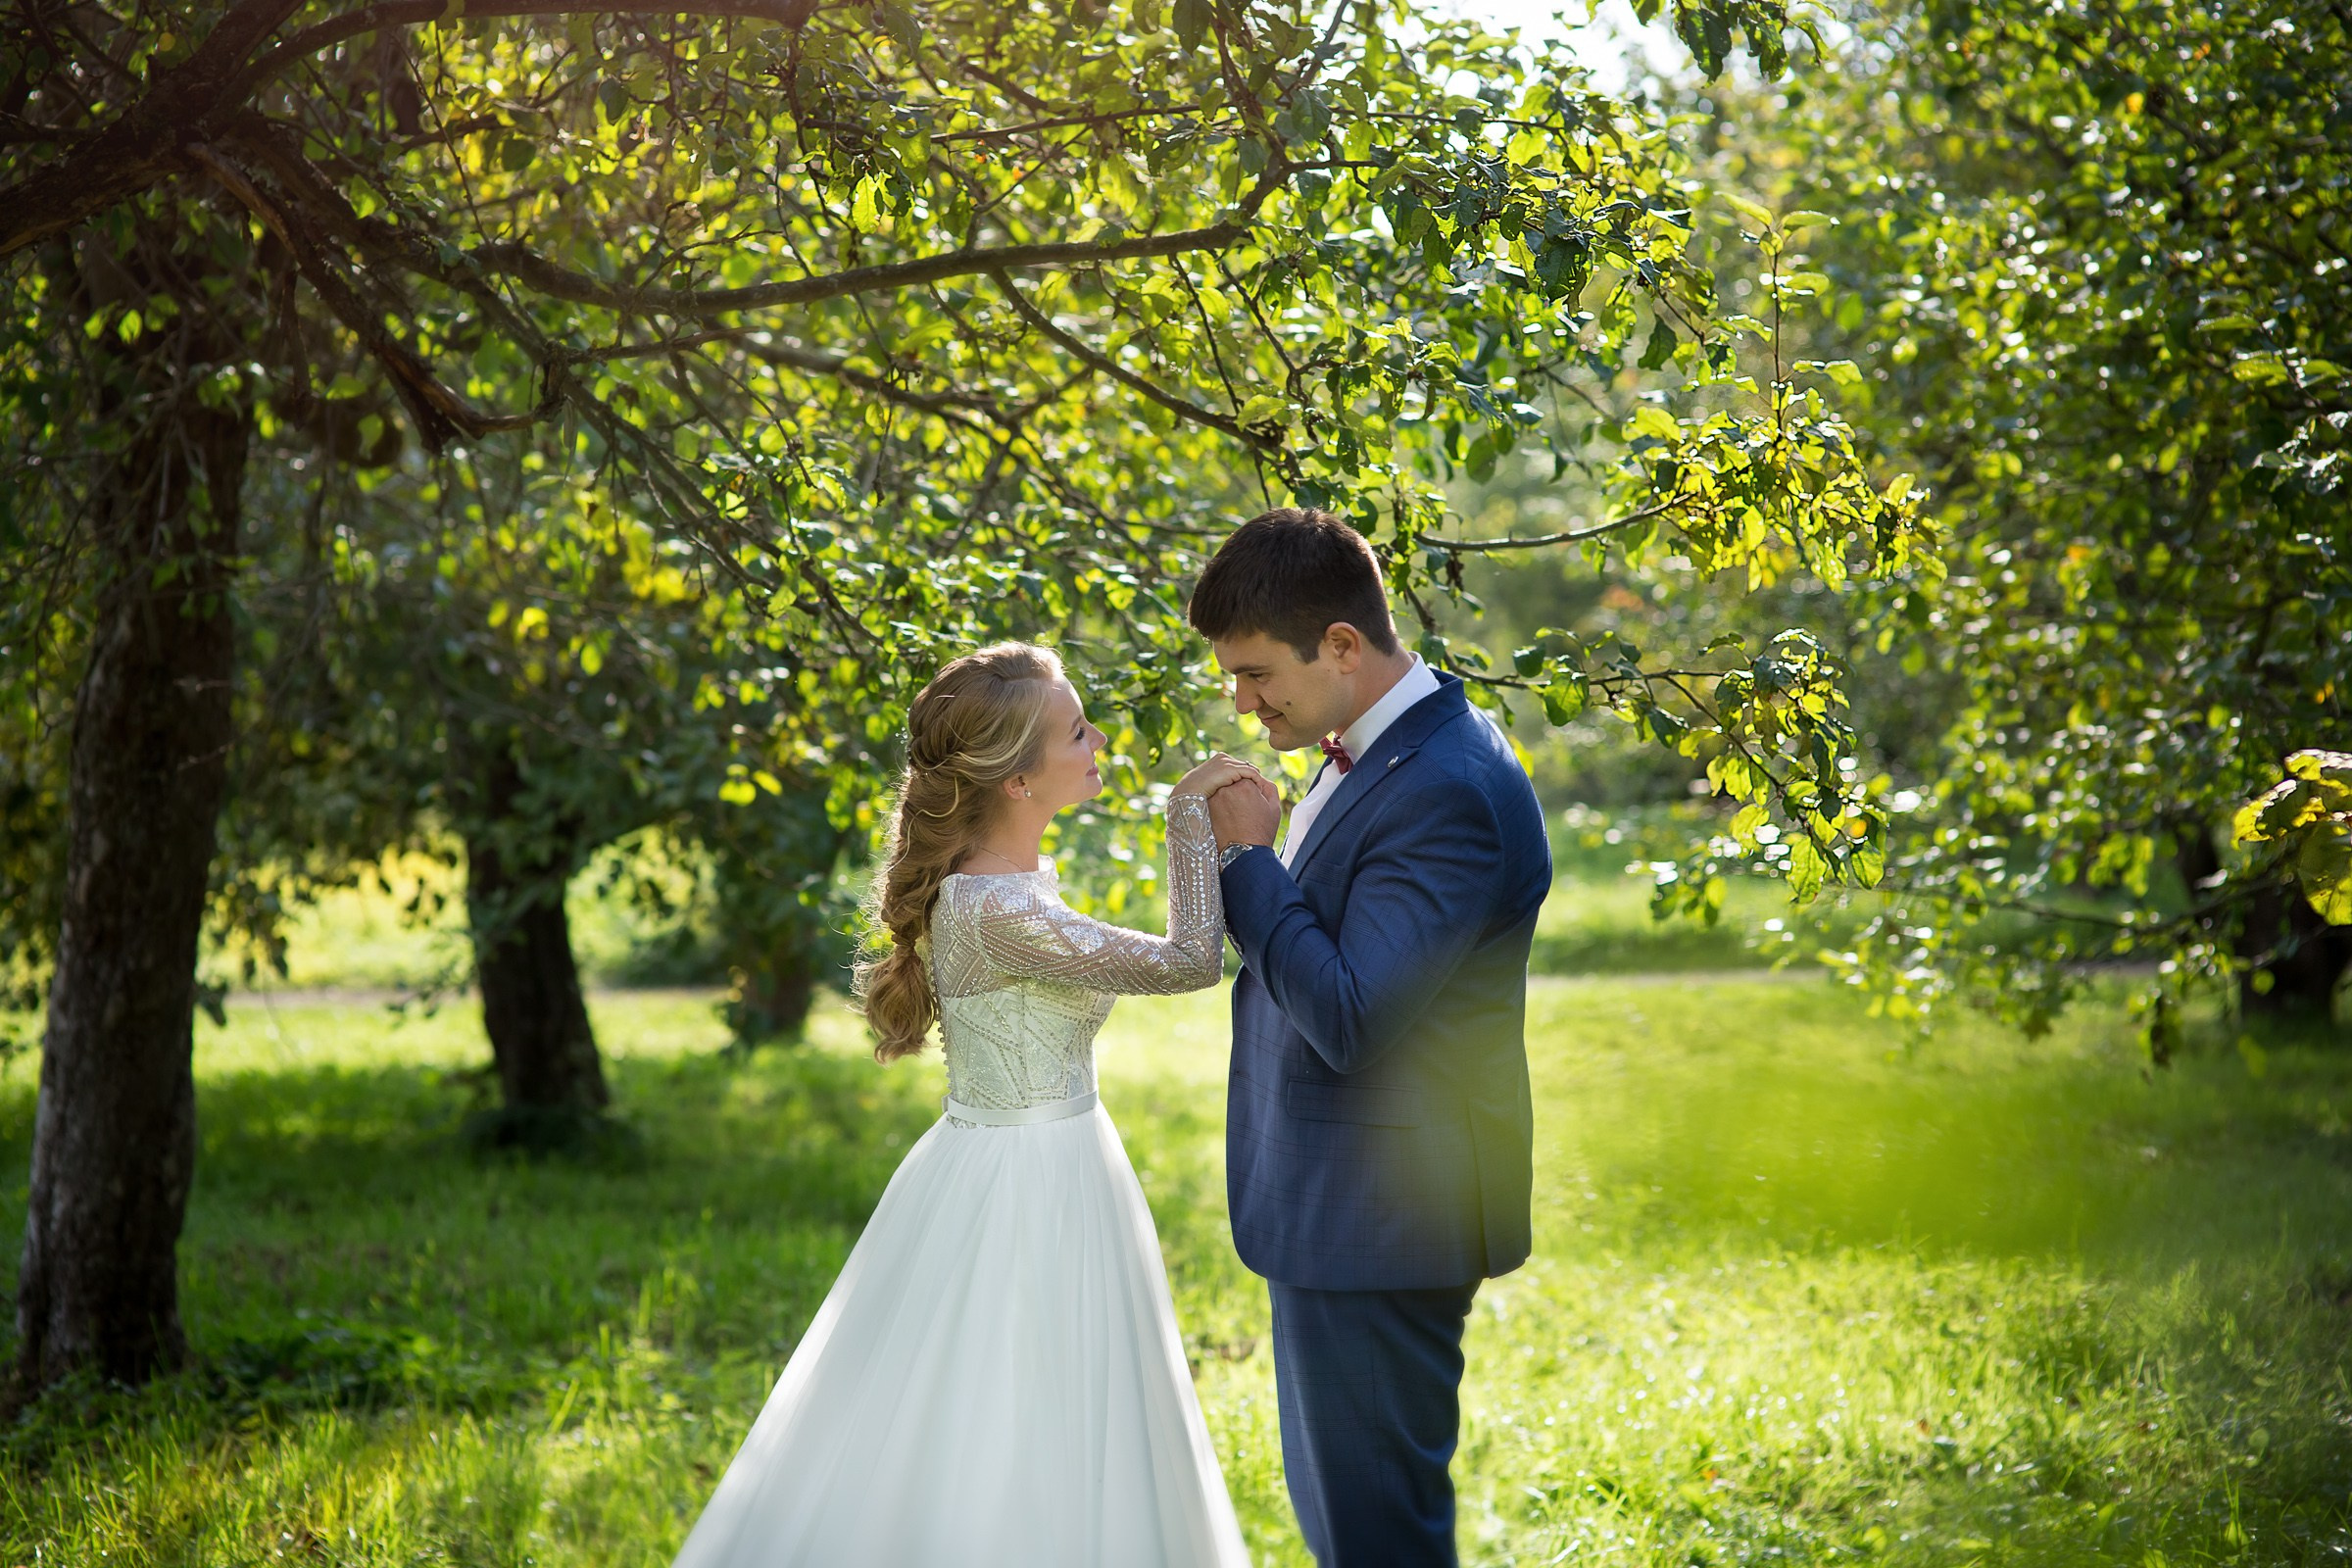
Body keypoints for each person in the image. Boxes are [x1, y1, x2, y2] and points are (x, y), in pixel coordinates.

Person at [670, 642, 1255, 1568]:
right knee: (1012, 1410)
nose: (1098, 737)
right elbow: (1189, 962)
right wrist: (1192, 819)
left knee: (1062, 1408)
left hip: (1048, 1157)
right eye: (1076, 729)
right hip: (1026, 1184)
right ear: (1019, 779)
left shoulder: (1005, 888)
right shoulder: (996, 911)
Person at [1188, 509, 1553, 1567]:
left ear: (1342, 646)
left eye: (1256, 674)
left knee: (1376, 1534)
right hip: (1343, 1202)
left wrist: (1251, 862)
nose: (1243, 700)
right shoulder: (1379, 743)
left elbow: (1351, 1013)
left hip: (1384, 1216)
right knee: (1351, 1524)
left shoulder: (1449, 790)